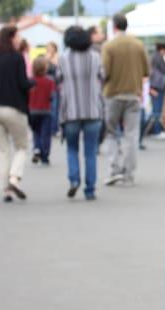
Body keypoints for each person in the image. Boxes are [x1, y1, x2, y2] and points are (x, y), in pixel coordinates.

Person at [0, 25, 33, 202]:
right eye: (18, 35)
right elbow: (23, 83)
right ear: (11, 37)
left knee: (1, 151)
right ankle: (14, 178)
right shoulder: (17, 58)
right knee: (22, 145)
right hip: (13, 108)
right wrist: (32, 83)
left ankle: (5, 190)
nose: (20, 39)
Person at [57, 25, 104, 200]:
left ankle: (74, 179)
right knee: (90, 152)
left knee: (71, 148)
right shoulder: (95, 57)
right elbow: (102, 77)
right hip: (93, 110)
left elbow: (58, 79)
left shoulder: (63, 59)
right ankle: (90, 189)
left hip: (70, 111)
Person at [102, 13, 149, 186]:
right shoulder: (138, 45)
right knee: (131, 135)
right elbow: (146, 70)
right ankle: (129, 173)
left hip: (113, 95)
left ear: (114, 27)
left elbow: (104, 72)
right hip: (133, 95)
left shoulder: (109, 46)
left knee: (112, 132)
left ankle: (114, 170)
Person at [29, 56, 55, 165]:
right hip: (45, 111)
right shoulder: (49, 81)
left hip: (32, 111)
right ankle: (45, 155)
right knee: (45, 133)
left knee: (36, 132)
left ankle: (37, 148)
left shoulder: (30, 81)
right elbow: (52, 96)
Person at [148, 42, 165, 136]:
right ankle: (157, 131)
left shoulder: (153, 57)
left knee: (156, 109)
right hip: (157, 86)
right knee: (157, 110)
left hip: (155, 86)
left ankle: (156, 130)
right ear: (162, 49)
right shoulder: (158, 58)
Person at [45, 41, 61, 136]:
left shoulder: (58, 57)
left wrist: (51, 59)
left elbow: (58, 68)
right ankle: (50, 128)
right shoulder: (45, 57)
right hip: (48, 86)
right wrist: (47, 59)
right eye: (48, 47)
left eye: (51, 47)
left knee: (55, 108)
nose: (49, 49)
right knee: (49, 107)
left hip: (56, 85)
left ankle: (55, 128)